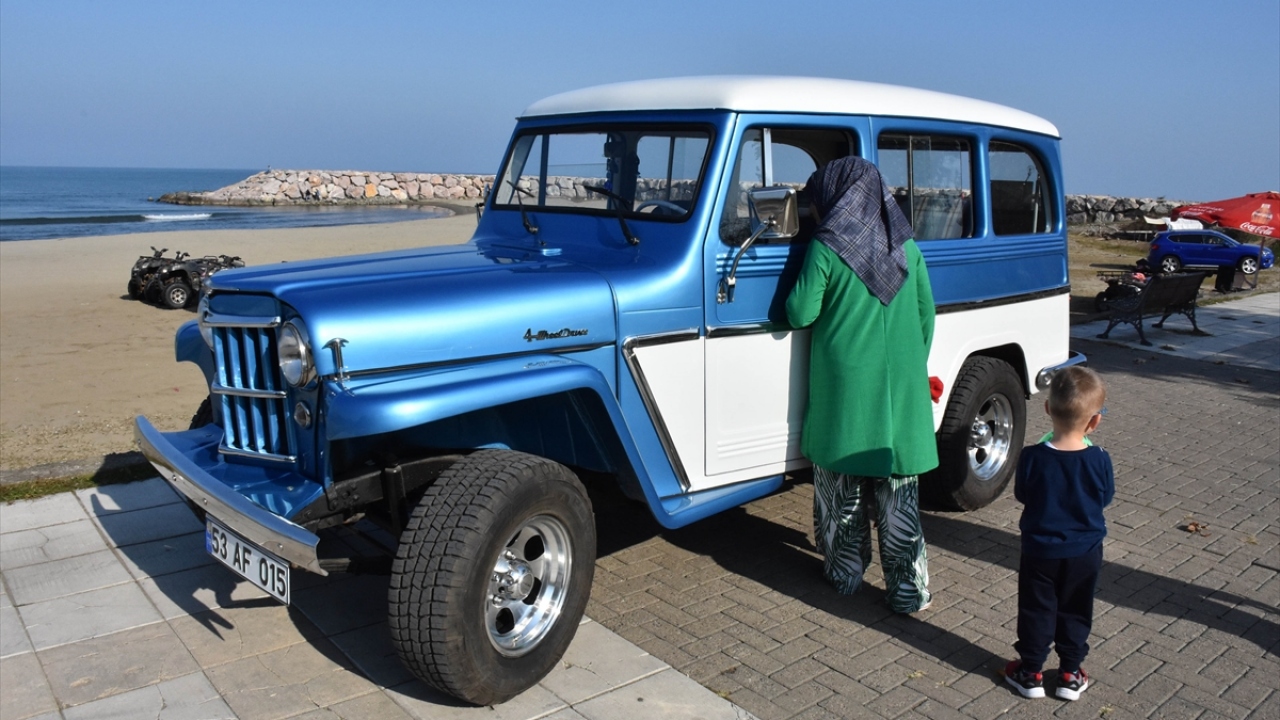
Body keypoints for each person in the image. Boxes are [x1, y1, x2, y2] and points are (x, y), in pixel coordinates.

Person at [785, 156, 937, 614]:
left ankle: (846, 574)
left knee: (841, 494)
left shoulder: (827, 247)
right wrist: (910, 364)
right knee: (899, 499)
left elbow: (800, 312)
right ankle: (909, 593)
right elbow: (926, 315)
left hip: (846, 390)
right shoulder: (906, 247)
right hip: (902, 393)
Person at [1005, 366, 1114, 701]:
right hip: (1085, 551)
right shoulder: (1099, 458)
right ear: (1095, 421)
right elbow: (1105, 497)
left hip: (1040, 550)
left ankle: (1031, 671)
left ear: (1048, 409)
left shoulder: (1032, 457)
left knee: (1037, 608)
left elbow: (1023, 494)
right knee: (1076, 607)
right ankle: (1069, 672)